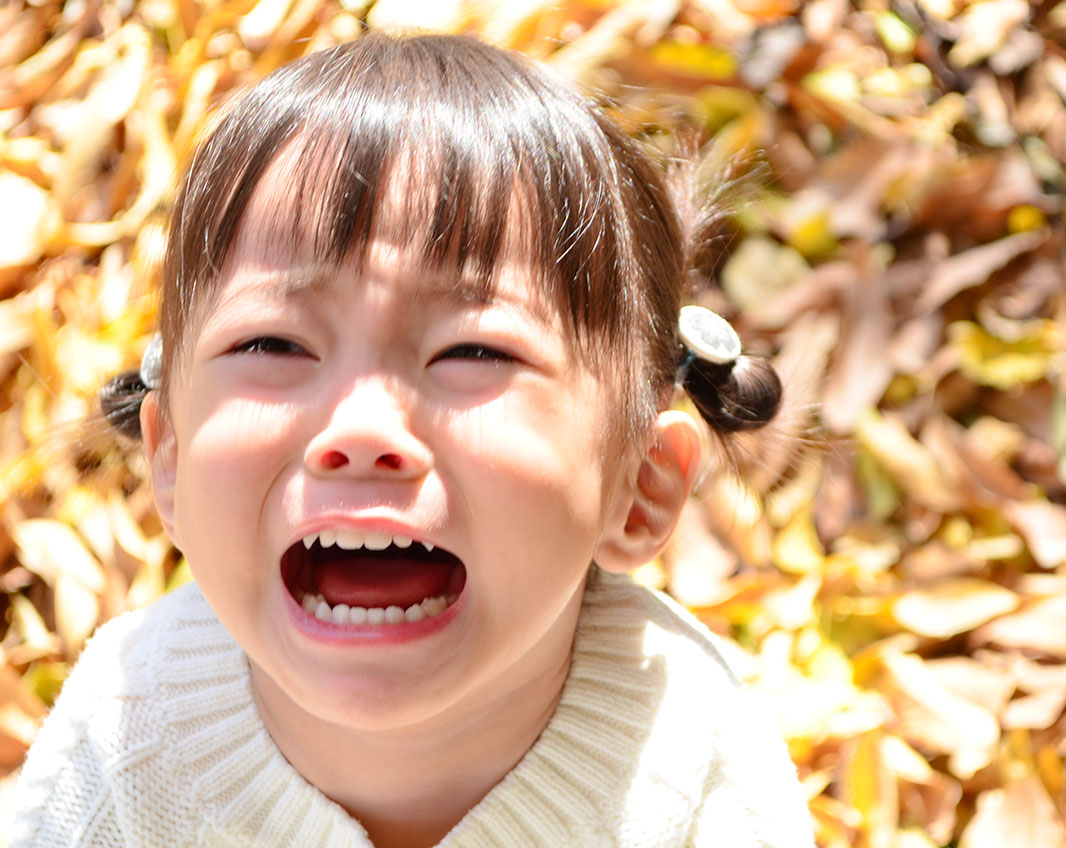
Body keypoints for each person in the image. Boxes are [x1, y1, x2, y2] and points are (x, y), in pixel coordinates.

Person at [7, 31, 812, 848]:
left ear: (639, 486)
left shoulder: (694, 768)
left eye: (474, 351)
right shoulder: (123, 744)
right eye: (274, 345)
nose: (360, 429)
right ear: (169, 461)